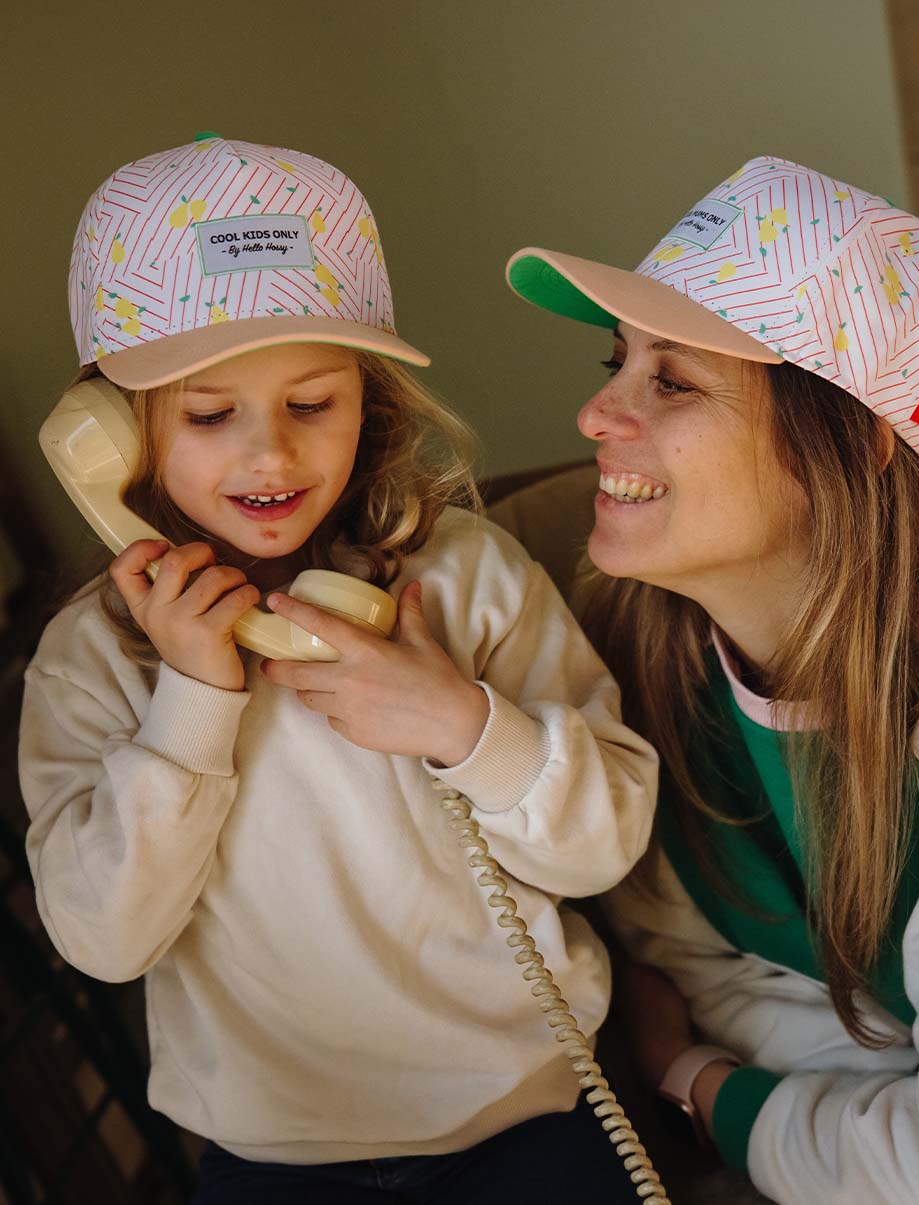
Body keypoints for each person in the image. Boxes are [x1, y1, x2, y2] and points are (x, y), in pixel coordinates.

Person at [18, 134, 660, 1205]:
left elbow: (603, 846)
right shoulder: (92, 657)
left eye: (311, 404)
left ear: (371, 404)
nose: (269, 455)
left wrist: (463, 723)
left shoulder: (467, 576)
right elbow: (106, 941)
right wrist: (193, 698)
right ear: (111, 436)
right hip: (275, 1163)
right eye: (211, 413)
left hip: (531, 1118)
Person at [504, 154, 919, 1203]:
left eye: (673, 380)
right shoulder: (642, 641)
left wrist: (694, 1080)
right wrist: (887, 1094)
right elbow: (691, 975)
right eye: (617, 360)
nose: (596, 415)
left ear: (857, 443)